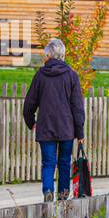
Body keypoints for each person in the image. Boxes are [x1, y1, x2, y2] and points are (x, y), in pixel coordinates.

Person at [22, 37, 85, 202]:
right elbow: (77, 107)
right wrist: (80, 133)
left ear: (48, 55)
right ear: (62, 55)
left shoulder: (40, 76)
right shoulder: (72, 76)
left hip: (46, 127)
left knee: (48, 163)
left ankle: (48, 191)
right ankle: (63, 196)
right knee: (64, 163)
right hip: (66, 128)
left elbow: (29, 104)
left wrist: (31, 123)